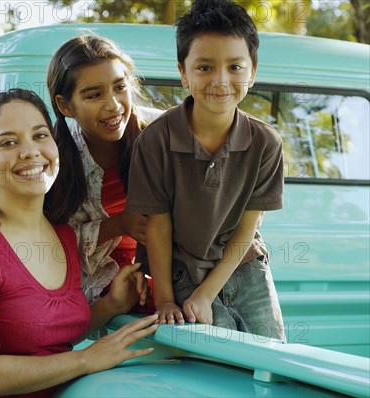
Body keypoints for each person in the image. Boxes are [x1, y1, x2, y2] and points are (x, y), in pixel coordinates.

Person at [0, 88, 158, 398]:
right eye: (9, 142)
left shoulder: (63, 236)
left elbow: (43, 335)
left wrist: (111, 306)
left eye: (40, 136)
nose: (29, 152)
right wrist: (86, 359)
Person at [126, 0, 285, 340]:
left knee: (272, 357)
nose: (220, 80)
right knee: (215, 354)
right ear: (183, 73)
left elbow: (247, 230)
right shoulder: (154, 142)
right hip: (181, 268)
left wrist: (208, 293)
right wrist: (166, 299)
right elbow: (157, 226)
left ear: (252, 71)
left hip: (244, 266)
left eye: (235, 67)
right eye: (204, 68)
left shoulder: (266, 143)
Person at [46, 34, 161, 306]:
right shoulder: (53, 158)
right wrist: (120, 225)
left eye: (120, 87)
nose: (113, 104)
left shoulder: (159, 135)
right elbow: (45, 244)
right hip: (91, 291)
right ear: (65, 106)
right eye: (94, 95)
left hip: (160, 279)